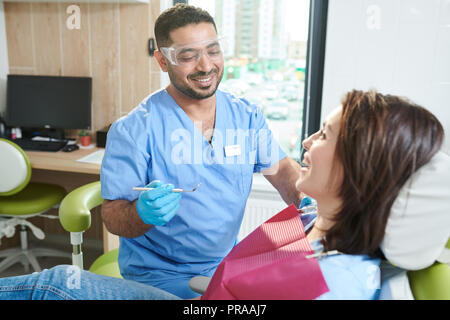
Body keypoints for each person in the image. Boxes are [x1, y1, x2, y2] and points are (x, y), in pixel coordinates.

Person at [0, 89, 444, 300]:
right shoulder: (314, 223)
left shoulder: (334, 281)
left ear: (358, 169)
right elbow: (244, 276)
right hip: (200, 287)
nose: (307, 141)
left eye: (324, 135)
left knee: (59, 285)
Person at [99, 4, 302, 299]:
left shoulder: (246, 116)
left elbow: (282, 170)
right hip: (158, 276)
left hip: (225, 265)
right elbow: (113, 215)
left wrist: (306, 197)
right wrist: (142, 213)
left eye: (213, 50)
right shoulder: (133, 130)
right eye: (188, 56)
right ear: (162, 60)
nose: (205, 66)